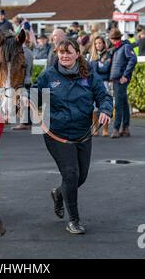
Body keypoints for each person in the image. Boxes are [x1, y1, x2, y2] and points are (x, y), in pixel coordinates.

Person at [27, 39, 112, 234]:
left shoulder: (89, 74)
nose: (64, 56)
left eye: (68, 52)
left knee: (81, 177)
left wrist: (105, 110)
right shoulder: (49, 76)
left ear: (77, 54)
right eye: (61, 52)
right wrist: (25, 97)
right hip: (56, 134)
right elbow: (34, 95)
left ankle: (59, 193)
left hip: (82, 133)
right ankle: (73, 220)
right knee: (71, 174)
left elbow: (104, 96)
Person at [109, 28, 137, 138]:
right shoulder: (117, 48)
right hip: (117, 79)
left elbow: (133, 59)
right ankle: (125, 127)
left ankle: (116, 128)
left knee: (119, 105)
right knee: (124, 104)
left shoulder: (125, 47)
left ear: (114, 39)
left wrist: (125, 75)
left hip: (120, 79)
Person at [89, 36, 113, 137]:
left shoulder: (108, 54)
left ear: (103, 43)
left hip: (104, 82)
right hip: (93, 83)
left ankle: (105, 128)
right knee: (93, 107)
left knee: (105, 105)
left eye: (100, 43)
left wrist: (97, 67)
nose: (98, 45)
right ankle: (95, 127)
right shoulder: (91, 56)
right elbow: (91, 70)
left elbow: (106, 69)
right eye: (96, 43)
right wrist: (98, 66)